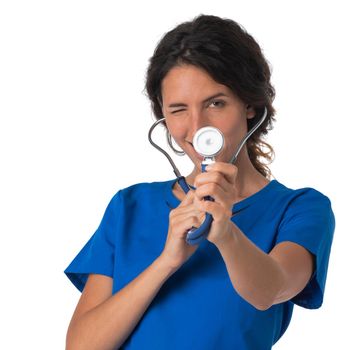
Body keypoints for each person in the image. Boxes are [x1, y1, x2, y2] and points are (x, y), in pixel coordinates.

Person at [64, 14, 335, 350]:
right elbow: (82, 346)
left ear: (249, 105)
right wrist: (167, 260)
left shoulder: (301, 209)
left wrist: (226, 235)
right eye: (179, 110)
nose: (197, 128)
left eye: (215, 103)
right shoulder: (129, 206)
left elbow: (270, 290)